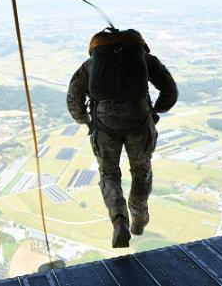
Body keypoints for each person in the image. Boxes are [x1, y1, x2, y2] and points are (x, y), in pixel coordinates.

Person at [67, 28, 177, 248]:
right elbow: (170, 90)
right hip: (139, 119)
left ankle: (119, 220)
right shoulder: (145, 60)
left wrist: (87, 122)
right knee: (141, 171)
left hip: (104, 123)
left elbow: (73, 100)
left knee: (109, 173)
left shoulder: (90, 67)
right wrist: (154, 110)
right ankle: (139, 217)